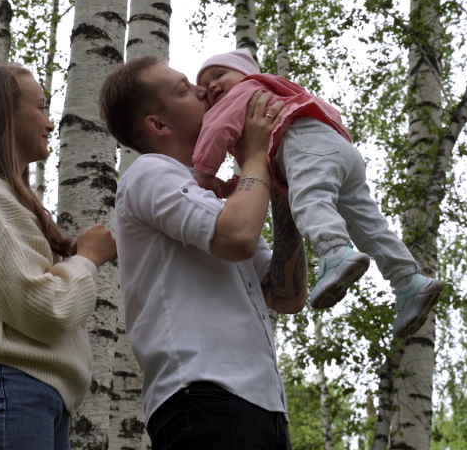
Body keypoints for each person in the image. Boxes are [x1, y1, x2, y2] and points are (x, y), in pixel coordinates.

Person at [98, 55, 309, 450]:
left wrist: (282, 201)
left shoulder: (222, 198)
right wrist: (255, 157)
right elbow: (238, 238)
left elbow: (287, 296)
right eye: (183, 89)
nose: (202, 90)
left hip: (262, 406)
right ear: (158, 125)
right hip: (202, 398)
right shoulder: (149, 173)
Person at [0, 63, 117, 450]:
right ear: (3, 114)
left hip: (16, 393)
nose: (49, 122)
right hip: (6, 389)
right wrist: (87, 260)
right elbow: (44, 310)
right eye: (40, 108)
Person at [193, 48, 442, 339]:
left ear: (246, 74)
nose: (211, 87)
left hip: (302, 140)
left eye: (219, 75)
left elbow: (216, 127)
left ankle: (335, 251)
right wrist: (228, 187)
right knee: (368, 223)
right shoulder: (266, 101)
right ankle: (409, 281)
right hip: (338, 149)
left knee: (309, 199)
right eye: (205, 88)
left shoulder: (247, 89)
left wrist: (203, 172)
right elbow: (263, 175)